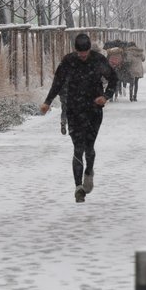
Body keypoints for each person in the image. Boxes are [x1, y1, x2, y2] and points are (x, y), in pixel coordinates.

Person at [39, 33, 118, 203]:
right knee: (77, 148)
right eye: (80, 53)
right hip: (74, 109)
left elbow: (113, 79)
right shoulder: (68, 61)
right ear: (75, 50)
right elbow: (57, 83)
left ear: (89, 49)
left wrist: (105, 96)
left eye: (86, 52)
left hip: (94, 110)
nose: (83, 56)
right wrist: (47, 102)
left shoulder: (98, 60)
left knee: (89, 147)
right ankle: (78, 188)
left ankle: (89, 171)